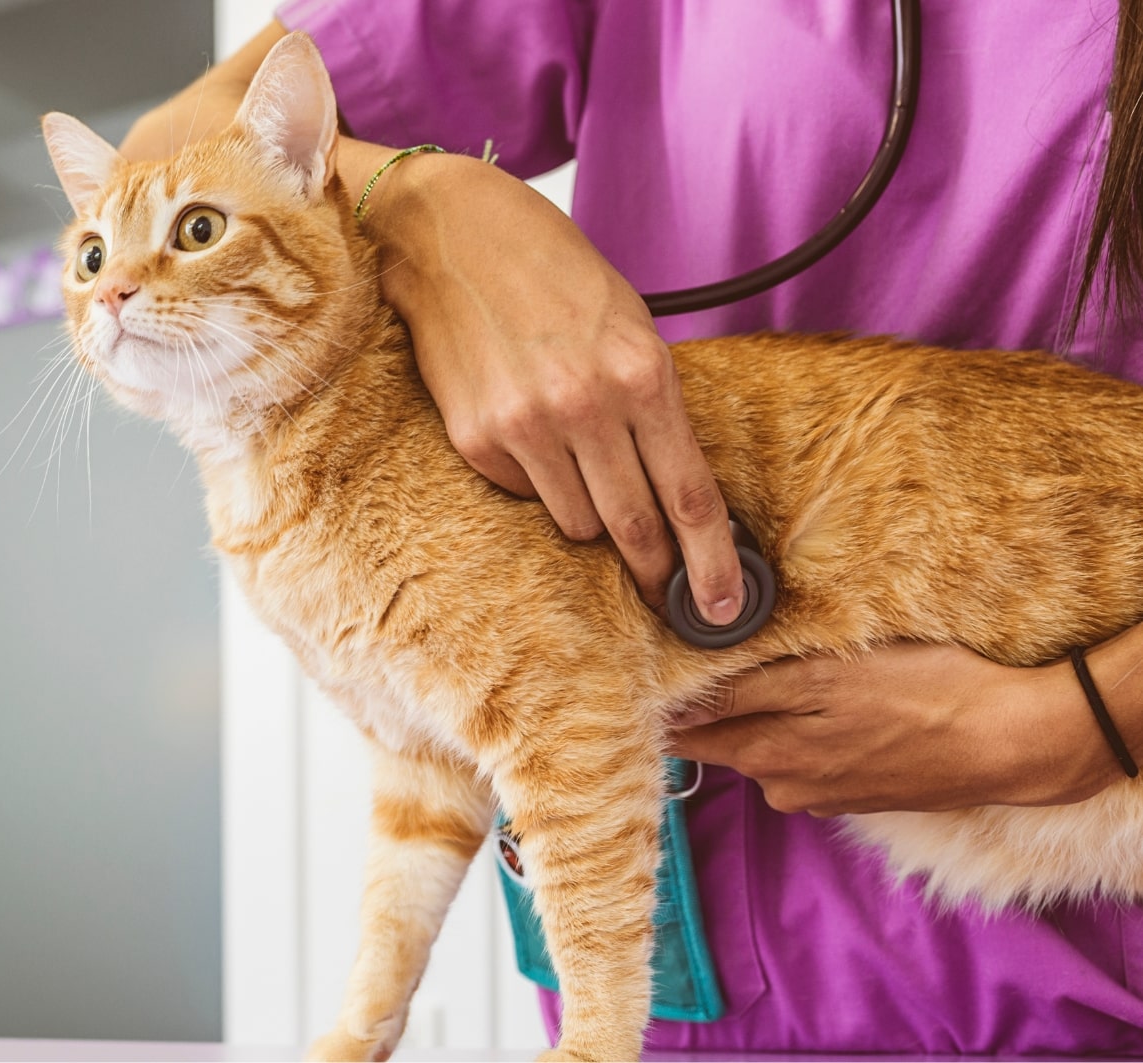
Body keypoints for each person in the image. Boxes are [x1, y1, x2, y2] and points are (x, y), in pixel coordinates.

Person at [119, 1, 1143, 1054]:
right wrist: (416, 202)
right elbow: (165, 154)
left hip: (1095, 949)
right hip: (694, 970)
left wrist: (1087, 718)